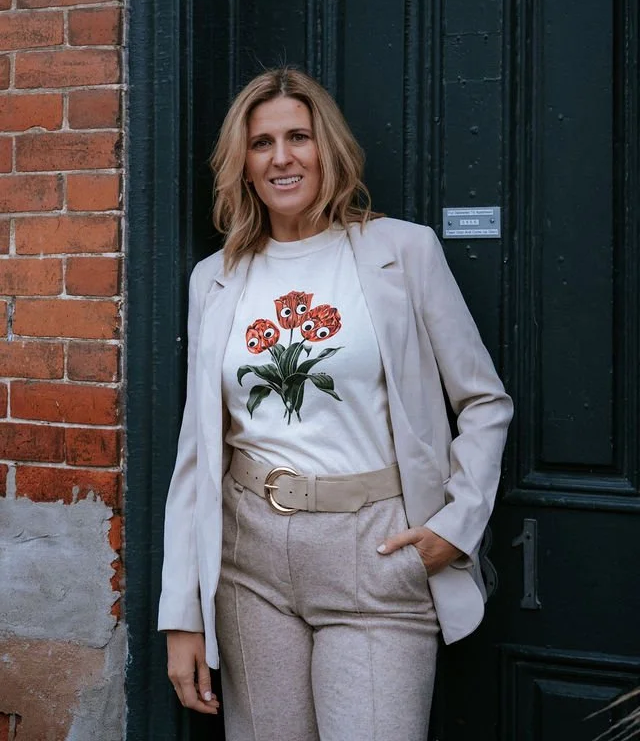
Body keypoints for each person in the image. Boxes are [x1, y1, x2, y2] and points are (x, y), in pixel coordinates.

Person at [158, 67, 513, 741]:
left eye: (299, 137)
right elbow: (197, 456)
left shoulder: (403, 251)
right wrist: (182, 615)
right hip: (248, 562)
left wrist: (456, 527)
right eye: (262, 143)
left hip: (376, 552)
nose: (282, 157)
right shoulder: (216, 278)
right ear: (244, 164)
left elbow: (484, 402)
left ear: (330, 149)